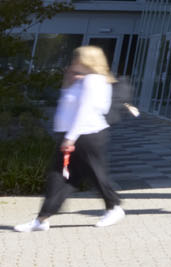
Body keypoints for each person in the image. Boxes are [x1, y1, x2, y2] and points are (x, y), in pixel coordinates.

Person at [15, 47, 126, 232]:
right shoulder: (82, 81)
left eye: (77, 59)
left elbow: (86, 110)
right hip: (73, 135)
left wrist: (70, 137)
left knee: (93, 174)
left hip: (87, 135)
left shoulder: (94, 81)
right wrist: (69, 81)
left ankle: (114, 207)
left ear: (87, 61)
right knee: (60, 177)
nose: (73, 62)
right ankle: (42, 218)